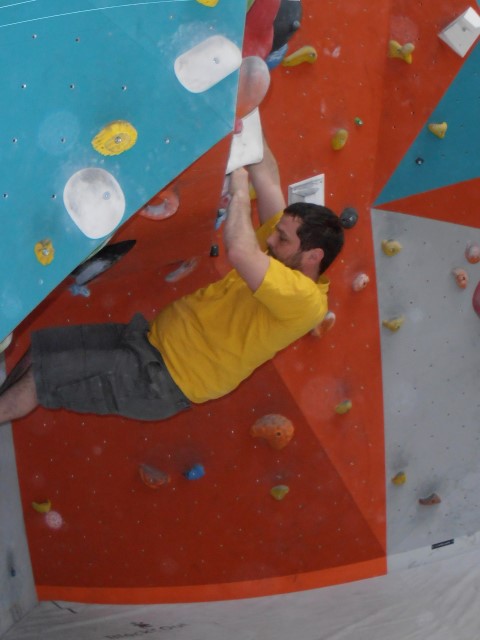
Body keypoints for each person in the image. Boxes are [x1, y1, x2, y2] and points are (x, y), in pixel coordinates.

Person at [0, 138, 344, 425]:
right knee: (40, 352)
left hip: (160, 379)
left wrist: (240, 190)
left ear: (313, 256)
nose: (269, 239)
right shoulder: (284, 255)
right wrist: (248, 125)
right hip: (149, 342)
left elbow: (240, 251)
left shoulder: (306, 301)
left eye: (281, 238)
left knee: (42, 378)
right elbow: (267, 177)